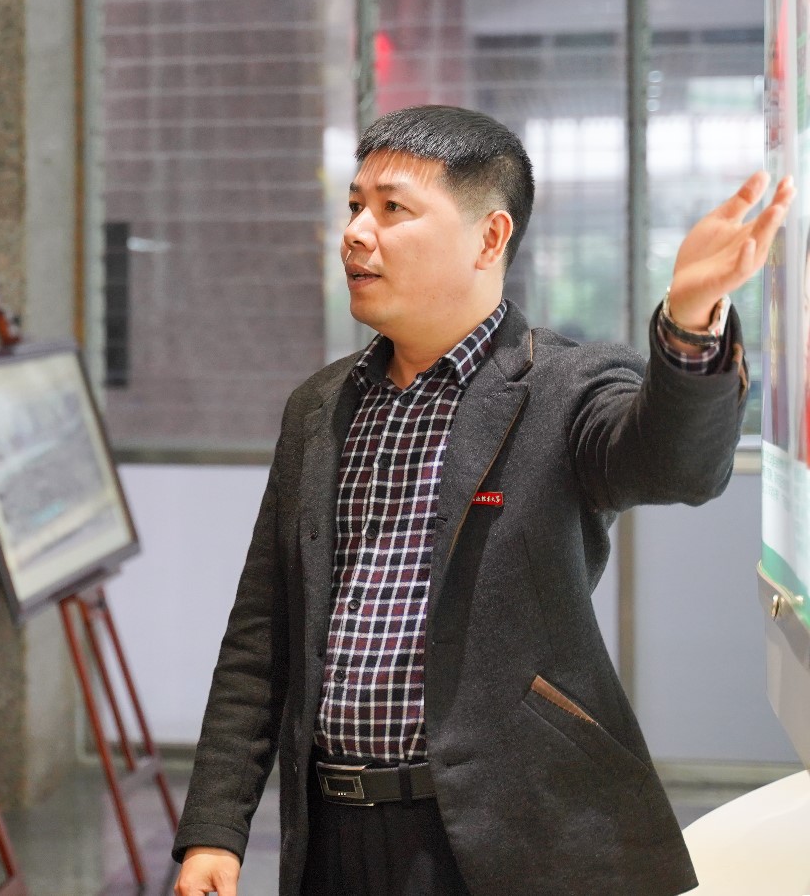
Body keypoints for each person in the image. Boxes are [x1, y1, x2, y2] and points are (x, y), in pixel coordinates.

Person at [172, 104, 792, 896]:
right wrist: (215, 827)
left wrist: (690, 325)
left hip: (504, 838)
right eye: (355, 205)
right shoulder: (319, 408)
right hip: (333, 834)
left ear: (490, 238)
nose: (357, 232)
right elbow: (261, 636)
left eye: (393, 209)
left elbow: (676, 467)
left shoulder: (565, 387)